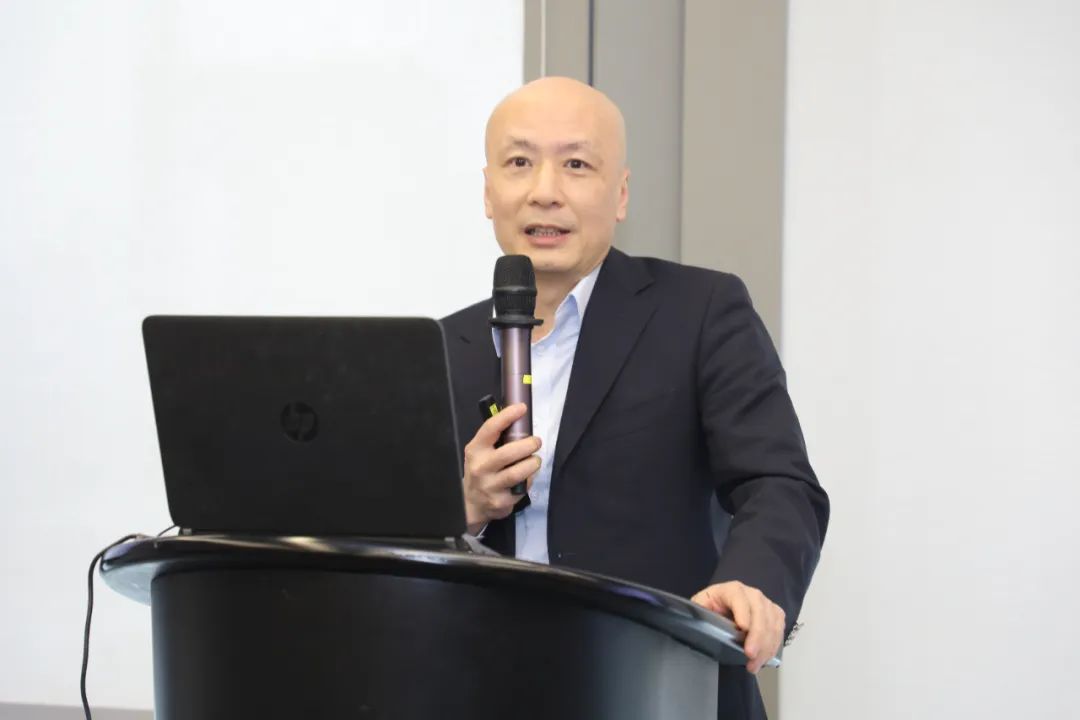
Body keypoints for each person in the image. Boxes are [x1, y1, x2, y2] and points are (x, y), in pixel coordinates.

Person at [441, 76, 829, 718]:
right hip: (488, 690)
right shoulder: (441, 346)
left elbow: (779, 483)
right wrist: (465, 507)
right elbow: (392, 542)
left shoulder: (700, 311)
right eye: (519, 163)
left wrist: (751, 585)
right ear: (488, 192)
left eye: (576, 165)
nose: (545, 191)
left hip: (661, 685)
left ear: (620, 193)